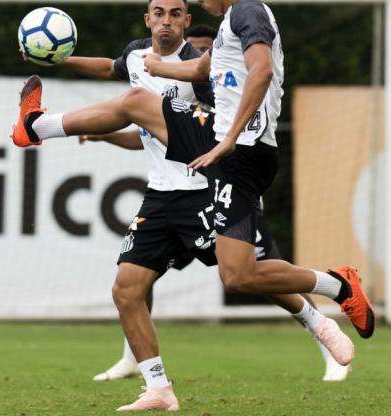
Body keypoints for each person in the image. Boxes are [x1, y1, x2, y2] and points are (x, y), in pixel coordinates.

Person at [10, 0, 373, 408]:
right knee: (203, 280)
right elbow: (180, 76)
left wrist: (225, 138)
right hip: (185, 182)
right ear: (147, 19)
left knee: (138, 101)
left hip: (221, 162)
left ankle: (35, 127)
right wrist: (79, 62)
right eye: (160, 12)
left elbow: (256, 72)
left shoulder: (247, 12)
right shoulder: (176, 48)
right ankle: (160, 386)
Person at [80, 22, 349, 385]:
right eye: (199, 50)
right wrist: (105, 134)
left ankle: (324, 332)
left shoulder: (214, 86)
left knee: (259, 275)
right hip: (164, 197)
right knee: (134, 280)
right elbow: (147, 137)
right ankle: (135, 361)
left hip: (212, 193)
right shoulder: (153, 74)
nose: (203, 56)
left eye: (206, 52)